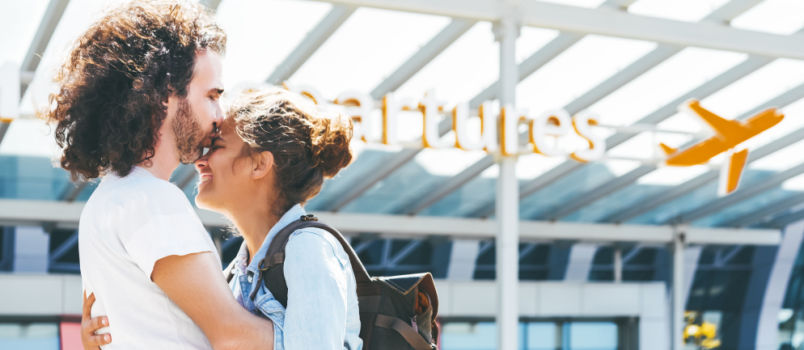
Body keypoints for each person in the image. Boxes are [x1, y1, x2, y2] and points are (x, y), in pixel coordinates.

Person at [46, 1, 275, 349]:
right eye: (212, 95)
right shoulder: (152, 201)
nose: (220, 116)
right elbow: (233, 335)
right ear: (165, 94)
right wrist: (334, 335)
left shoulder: (109, 199)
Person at [82, 88, 363, 349]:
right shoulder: (235, 275)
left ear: (259, 164)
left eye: (216, 146)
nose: (199, 160)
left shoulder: (308, 247)